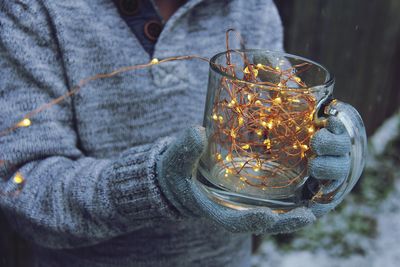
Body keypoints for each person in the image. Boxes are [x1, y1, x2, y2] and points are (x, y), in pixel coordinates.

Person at [0, 0, 358, 266]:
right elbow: (23, 185)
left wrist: (338, 143)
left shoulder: (249, 6)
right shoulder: (35, 10)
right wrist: (156, 185)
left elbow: (279, 124)